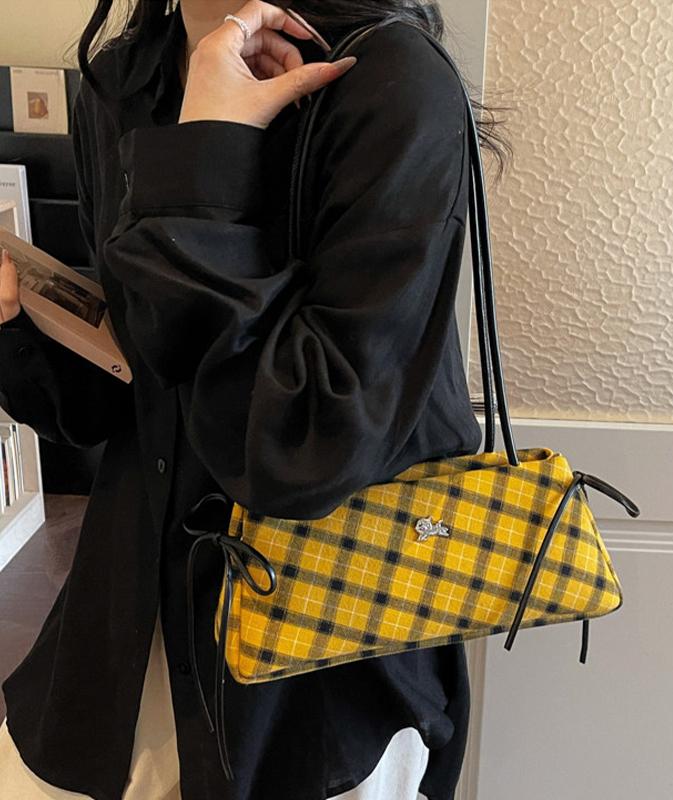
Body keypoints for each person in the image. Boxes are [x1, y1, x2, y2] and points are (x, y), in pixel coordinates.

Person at [0, 1, 505, 797]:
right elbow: (124, 396)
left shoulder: (389, 81)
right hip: (126, 629)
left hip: (323, 662)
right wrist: (13, 325)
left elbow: (308, 444)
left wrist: (205, 159)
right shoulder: (122, 80)